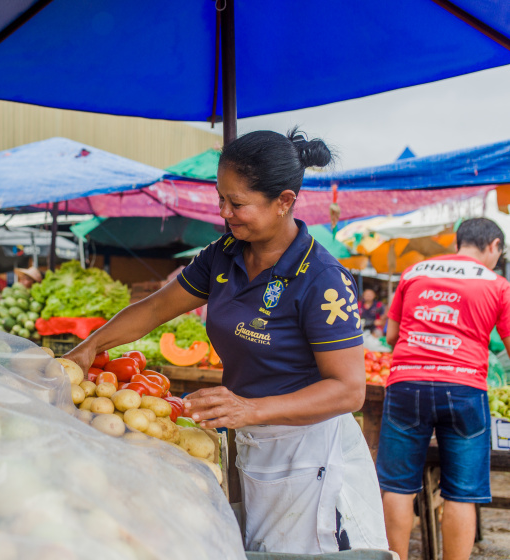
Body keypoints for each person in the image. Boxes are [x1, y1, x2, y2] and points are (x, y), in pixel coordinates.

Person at [64, 129, 387, 554]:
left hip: (310, 453)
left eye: (238, 204)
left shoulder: (323, 279)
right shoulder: (224, 253)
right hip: (252, 438)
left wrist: (250, 407)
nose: (225, 212)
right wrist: (89, 347)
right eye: (221, 198)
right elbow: (154, 309)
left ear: (284, 202)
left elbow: (349, 390)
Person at [377, 217, 510, 560]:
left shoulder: (414, 272)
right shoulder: (497, 284)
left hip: (407, 383)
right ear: (494, 245)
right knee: (462, 493)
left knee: (397, 485)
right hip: (465, 388)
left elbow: (391, 337)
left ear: (457, 243)